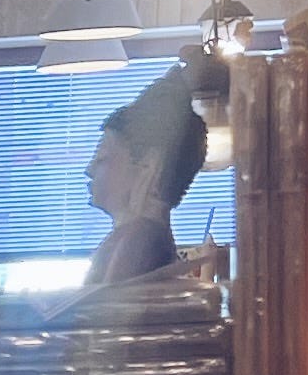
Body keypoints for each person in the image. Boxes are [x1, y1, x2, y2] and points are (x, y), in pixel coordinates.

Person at [81, 63, 212, 289]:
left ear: (149, 166)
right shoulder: (141, 239)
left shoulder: (136, 243)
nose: (89, 169)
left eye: (102, 158)